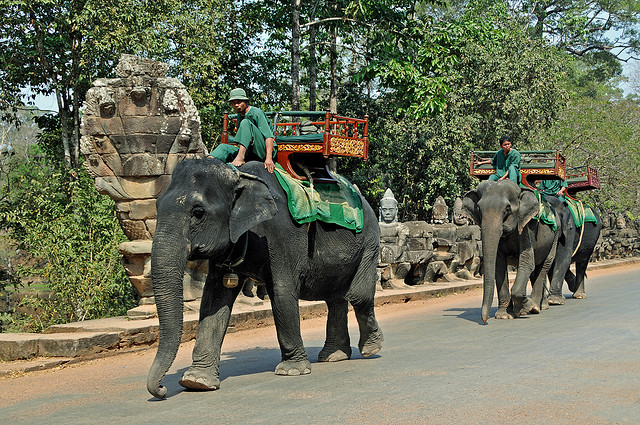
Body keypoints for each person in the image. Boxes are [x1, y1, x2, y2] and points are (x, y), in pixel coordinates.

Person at [210, 88, 276, 173]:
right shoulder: (239, 115)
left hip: (262, 150)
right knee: (223, 147)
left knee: (245, 122)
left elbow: (269, 137)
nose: (236, 105)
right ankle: (206, 163)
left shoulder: (257, 113)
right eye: (233, 103)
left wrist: (269, 158)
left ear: (246, 102)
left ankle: (240, 157)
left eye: (239, 102)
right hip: (250, 151)